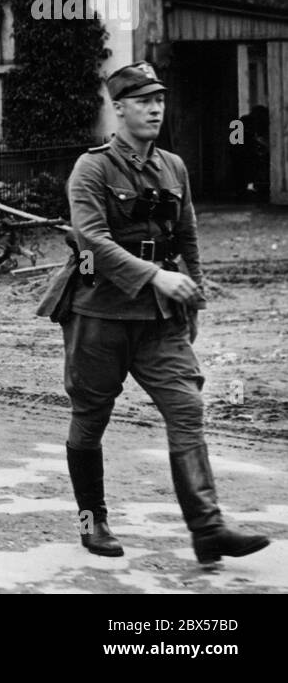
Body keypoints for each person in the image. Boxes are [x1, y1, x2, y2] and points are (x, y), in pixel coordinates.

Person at [38, 62, 270, 564]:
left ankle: (208, 529)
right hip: (98, 313)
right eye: (143, 101)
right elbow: (92, 241)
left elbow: (187, 237)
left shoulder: (173, 166)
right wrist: (155, 276)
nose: (155, 108)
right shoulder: (92, 167)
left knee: (187, 409)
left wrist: (195, 296)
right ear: (118, 108)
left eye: (159, 99)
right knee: (89, 420)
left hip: (160, 320)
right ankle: (92, 521)